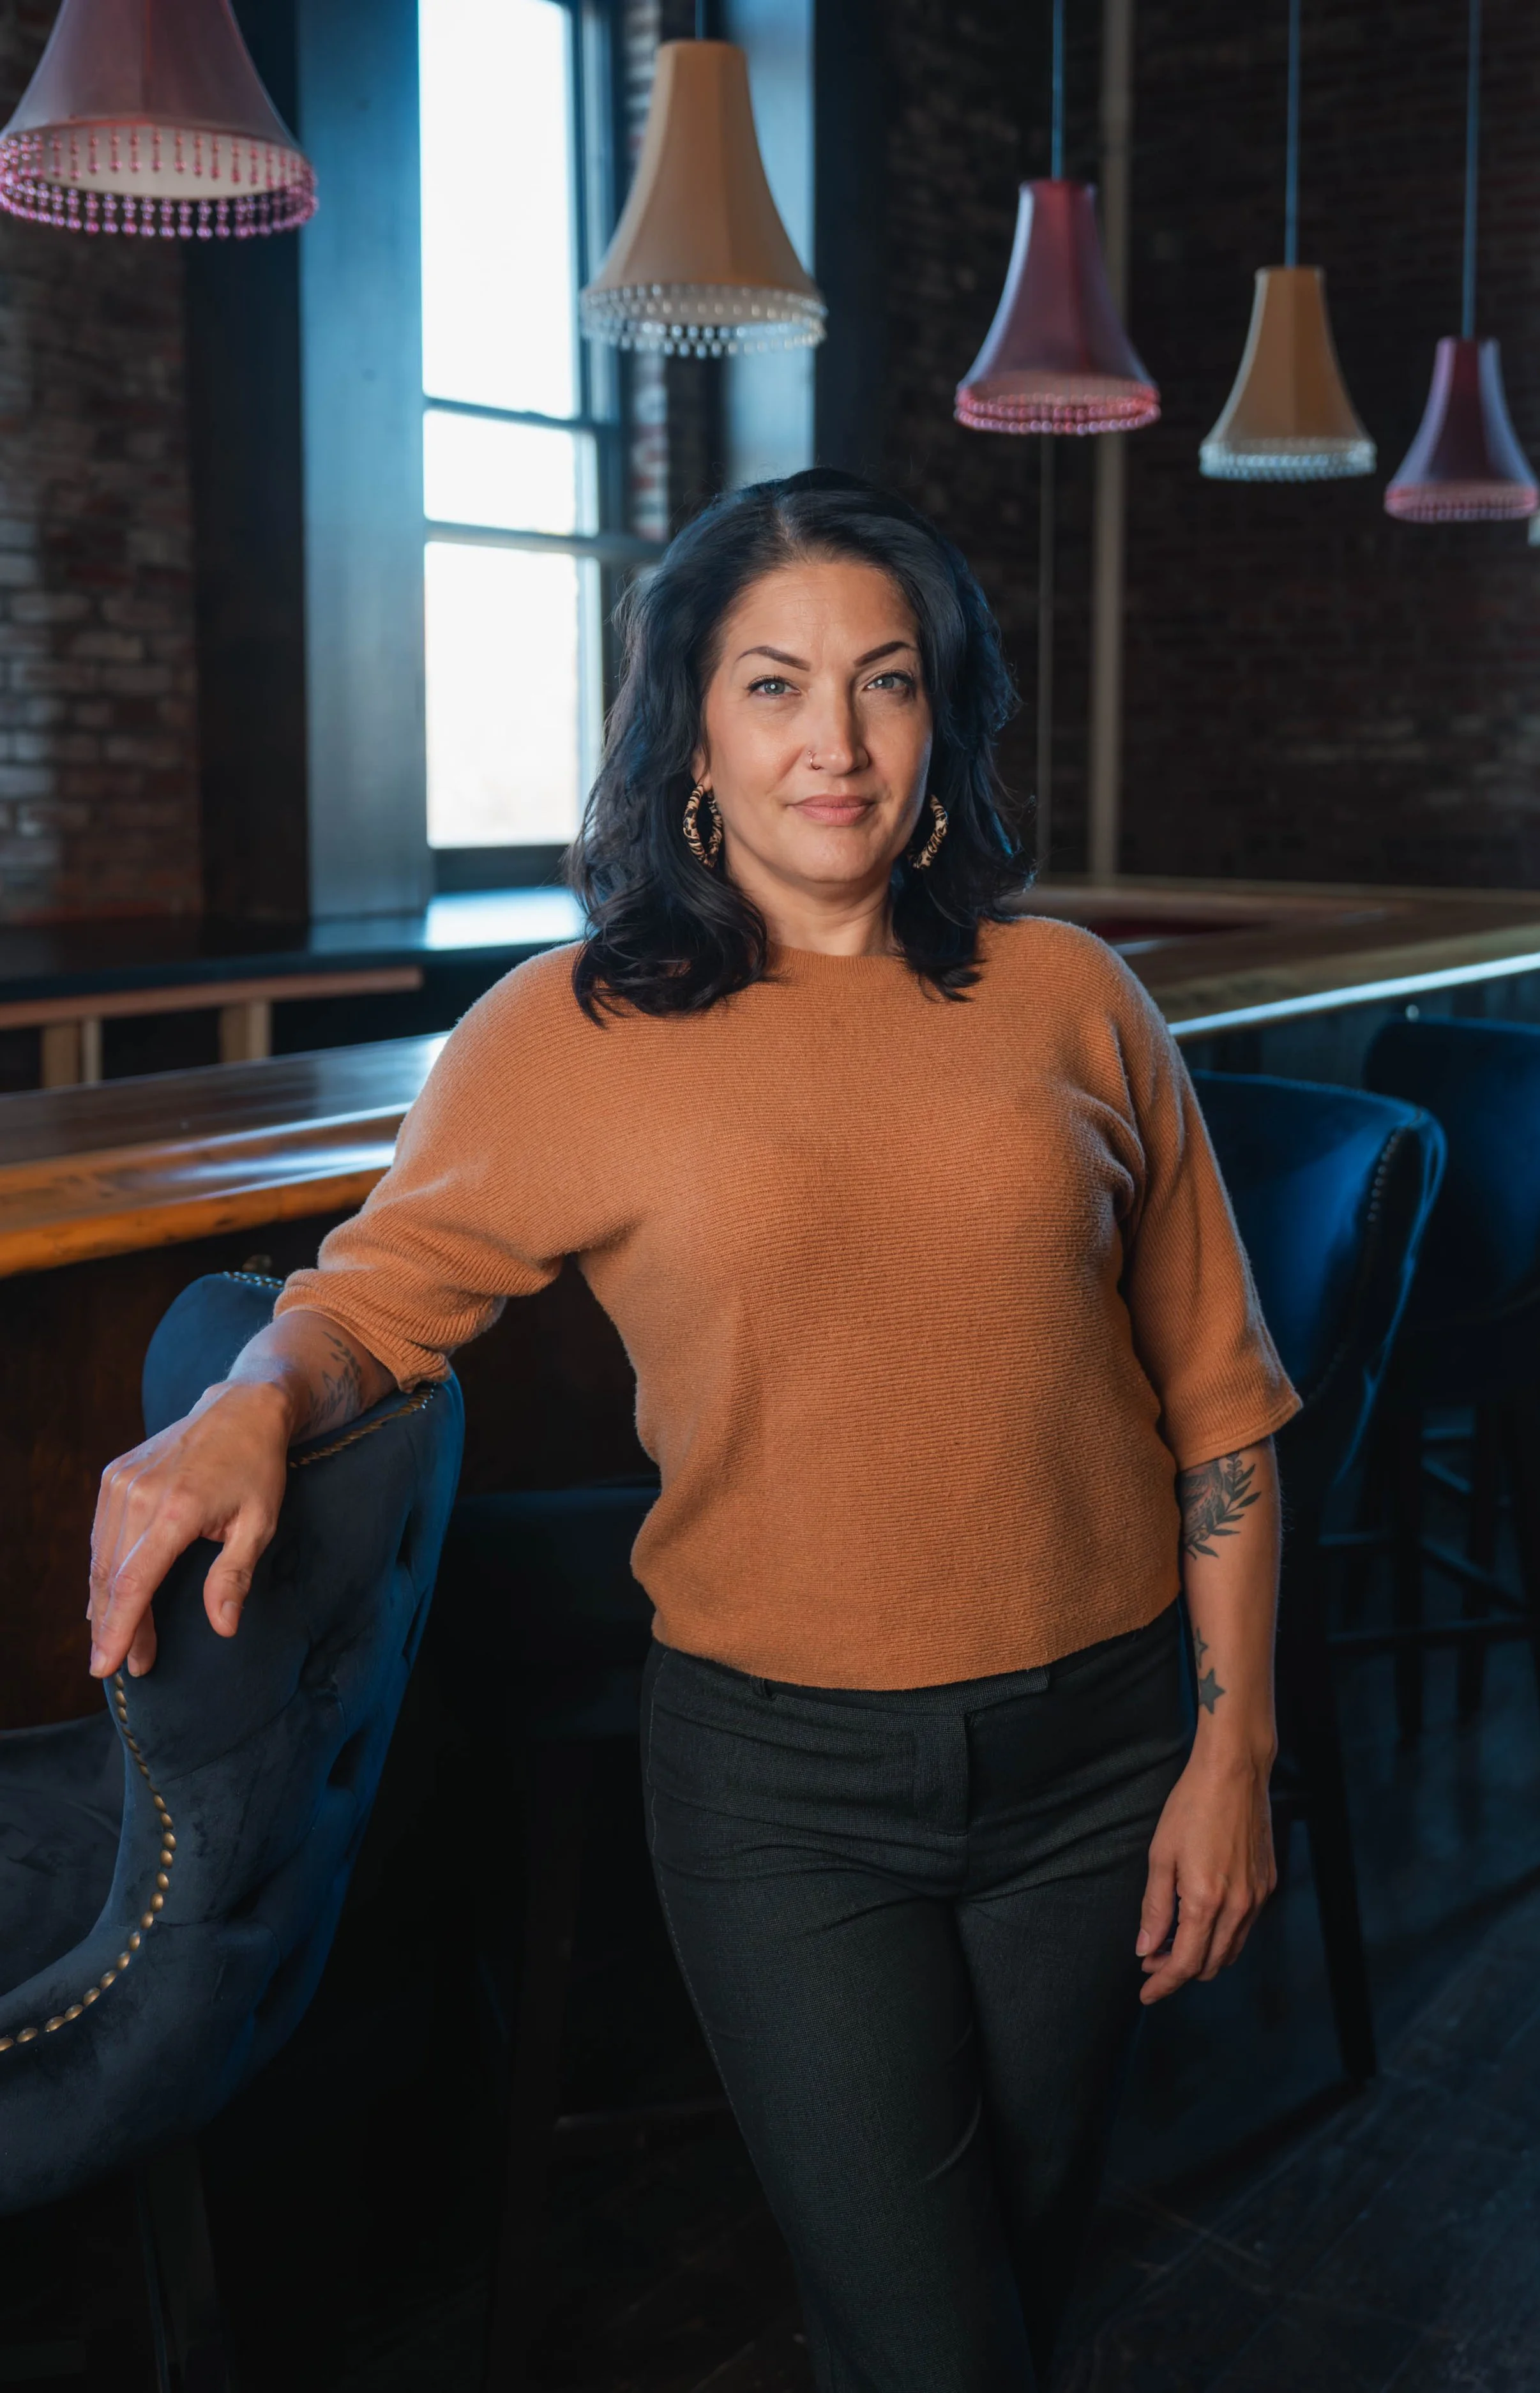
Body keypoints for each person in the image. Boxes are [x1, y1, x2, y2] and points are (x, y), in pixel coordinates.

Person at [88, 471, 1298, 2392]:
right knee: (934, 2345)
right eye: (773, 685)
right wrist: (248, 1404)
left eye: (885, 681)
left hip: (1101, 1753)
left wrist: (1233, 1751)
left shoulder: (1072, 998)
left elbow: (1219, 1401)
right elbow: (376, 1298)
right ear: (691, 735)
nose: (836, 742)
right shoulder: (567, 1035)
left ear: (942, 717)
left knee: (1015, 2273)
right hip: (784, 1786)